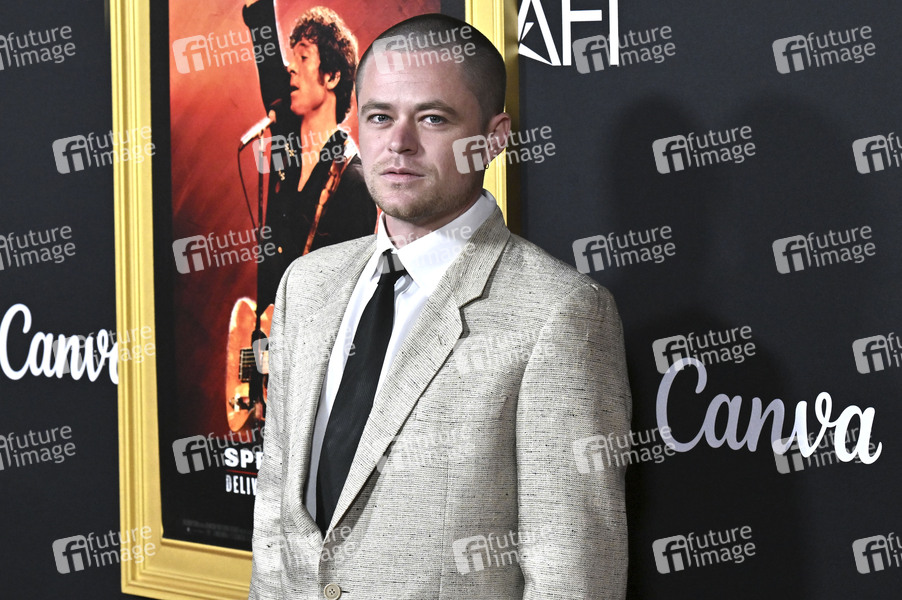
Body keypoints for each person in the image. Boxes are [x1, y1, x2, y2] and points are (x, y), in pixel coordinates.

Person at [249, 13, 632, 600]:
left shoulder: (559, 315)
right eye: (380, 117)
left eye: (432, 118)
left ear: (494, 138)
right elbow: (277, 522)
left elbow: (572, 579)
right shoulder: (307, 284)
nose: (398, 142)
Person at [242, 0, 377, 313]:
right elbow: (268, 57)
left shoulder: (354, 182)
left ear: (332, 77)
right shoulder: (286, 138)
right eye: (292, 58)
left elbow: (345, 298)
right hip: (267, 335)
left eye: (303, 58)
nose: (291, 67)